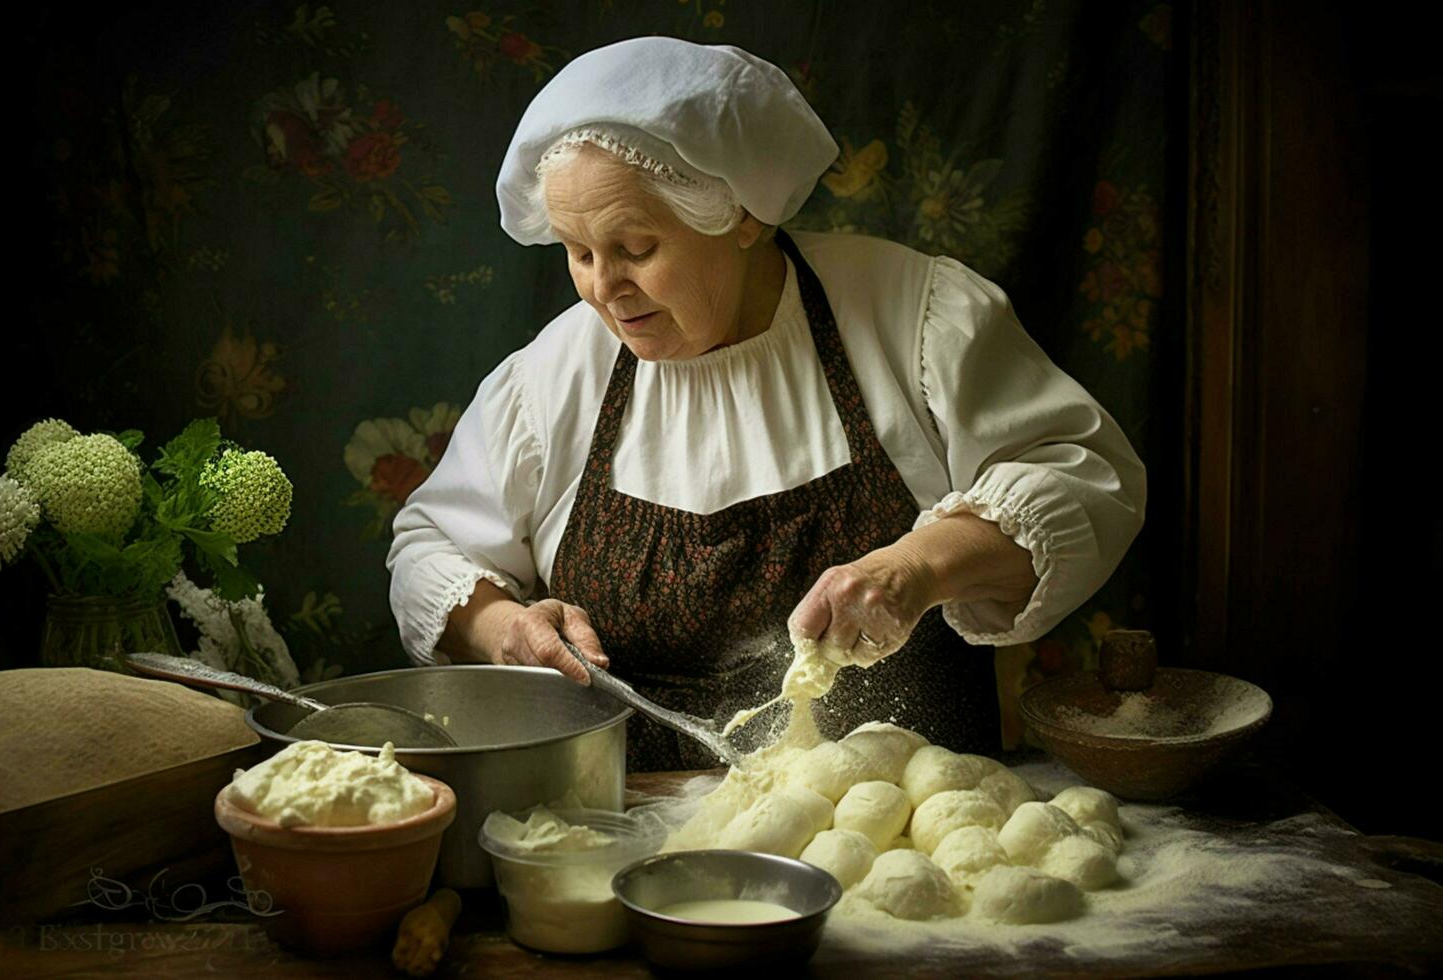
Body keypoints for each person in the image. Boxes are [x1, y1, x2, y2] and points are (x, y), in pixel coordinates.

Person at [387, 37, 1145, 771]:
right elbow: (429, 549)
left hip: (911, 825)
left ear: (744, 216)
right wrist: (504, 630)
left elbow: (1084, 477)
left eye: (637, 248)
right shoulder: (556, 375)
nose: (603, 288)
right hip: (626, 834)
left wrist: (916, 566)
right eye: (578, 253)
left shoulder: (913, 316)